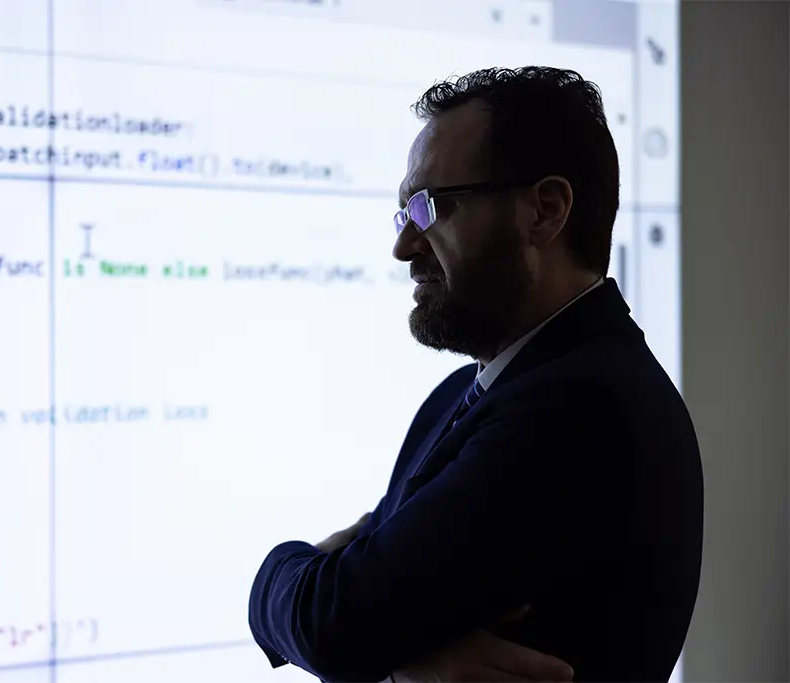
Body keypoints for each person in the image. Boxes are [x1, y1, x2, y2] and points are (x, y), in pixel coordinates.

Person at [247, 66, 703, 682]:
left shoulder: (583, 407)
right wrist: (397, 654)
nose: (404, 246)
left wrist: (280, 576)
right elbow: (355, 619)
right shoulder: (461, 397)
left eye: (431, 206)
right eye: (404, 211)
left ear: (544, 212)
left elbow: (338, 622)